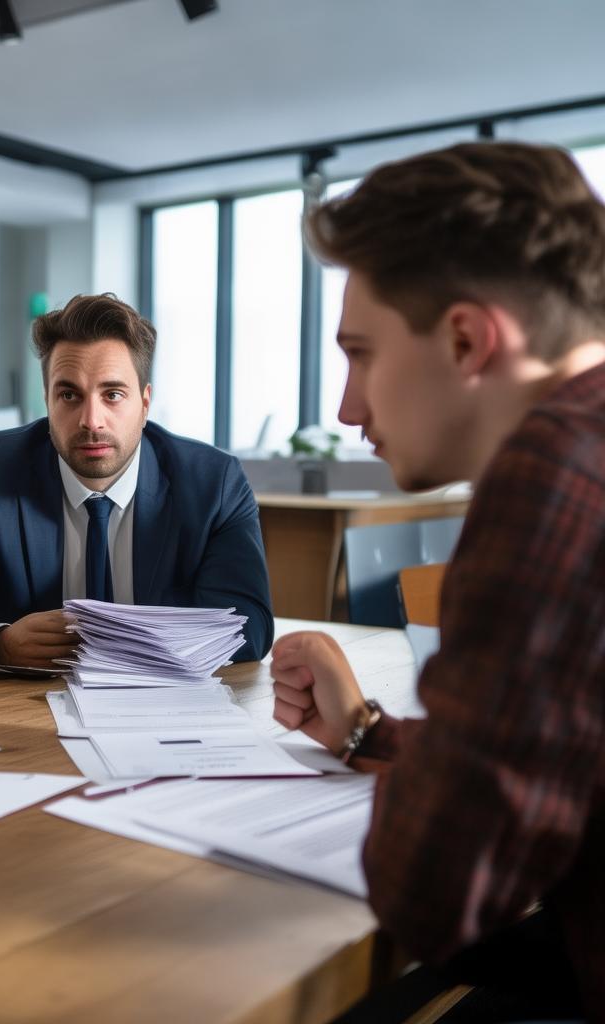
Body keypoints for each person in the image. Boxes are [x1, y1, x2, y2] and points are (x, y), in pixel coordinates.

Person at [270, 143, 604, 1019]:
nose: (347, 406)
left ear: (465, 339)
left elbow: (433, 892)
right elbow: (565, 767)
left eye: (361, 354)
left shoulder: (554, 475)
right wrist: (368, 732)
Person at [0, 292, 273, 672]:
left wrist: (133, 646)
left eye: (113, 394)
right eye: (69, 395)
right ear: (47, 400)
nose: (91, 420)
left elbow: (248, 626)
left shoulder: (213, 483)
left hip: (167, 702)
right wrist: (0, 644)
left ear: (145, 402)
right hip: (31, 709)